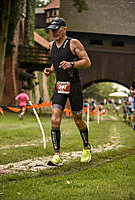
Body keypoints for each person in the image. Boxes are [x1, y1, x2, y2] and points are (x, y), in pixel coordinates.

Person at [44, 17, 92, 165]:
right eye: (51, 29)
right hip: (60, 86)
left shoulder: (73, 43)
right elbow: (57, 62)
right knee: (54, 119)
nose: (53, 32)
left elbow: (87, 62)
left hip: (74, 86)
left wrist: (72, 64)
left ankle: (86, 148)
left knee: (78, 120)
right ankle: (57, 155)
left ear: (64, 29)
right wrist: (51, 69)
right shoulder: (51, 45)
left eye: (56, 29)